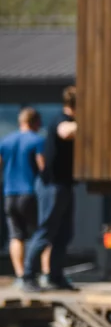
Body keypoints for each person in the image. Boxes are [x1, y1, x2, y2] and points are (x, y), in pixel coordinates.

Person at [25, 86, 78, 291]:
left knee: (64, 233)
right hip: (52, 185)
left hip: (64, 184)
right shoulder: (61, 119)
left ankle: (55, 276)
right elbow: (65, 132)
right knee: (46, 231)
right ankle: (28, 275)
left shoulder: (66, 119)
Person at [0, 107, 44, 289]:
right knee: (40, 234)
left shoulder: (6, 141)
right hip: (30, 192)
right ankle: (37, 274)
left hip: (10, 194)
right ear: (36, 123)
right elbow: (43, 167)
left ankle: (19, 274)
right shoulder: (37, 140)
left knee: (16, 235)